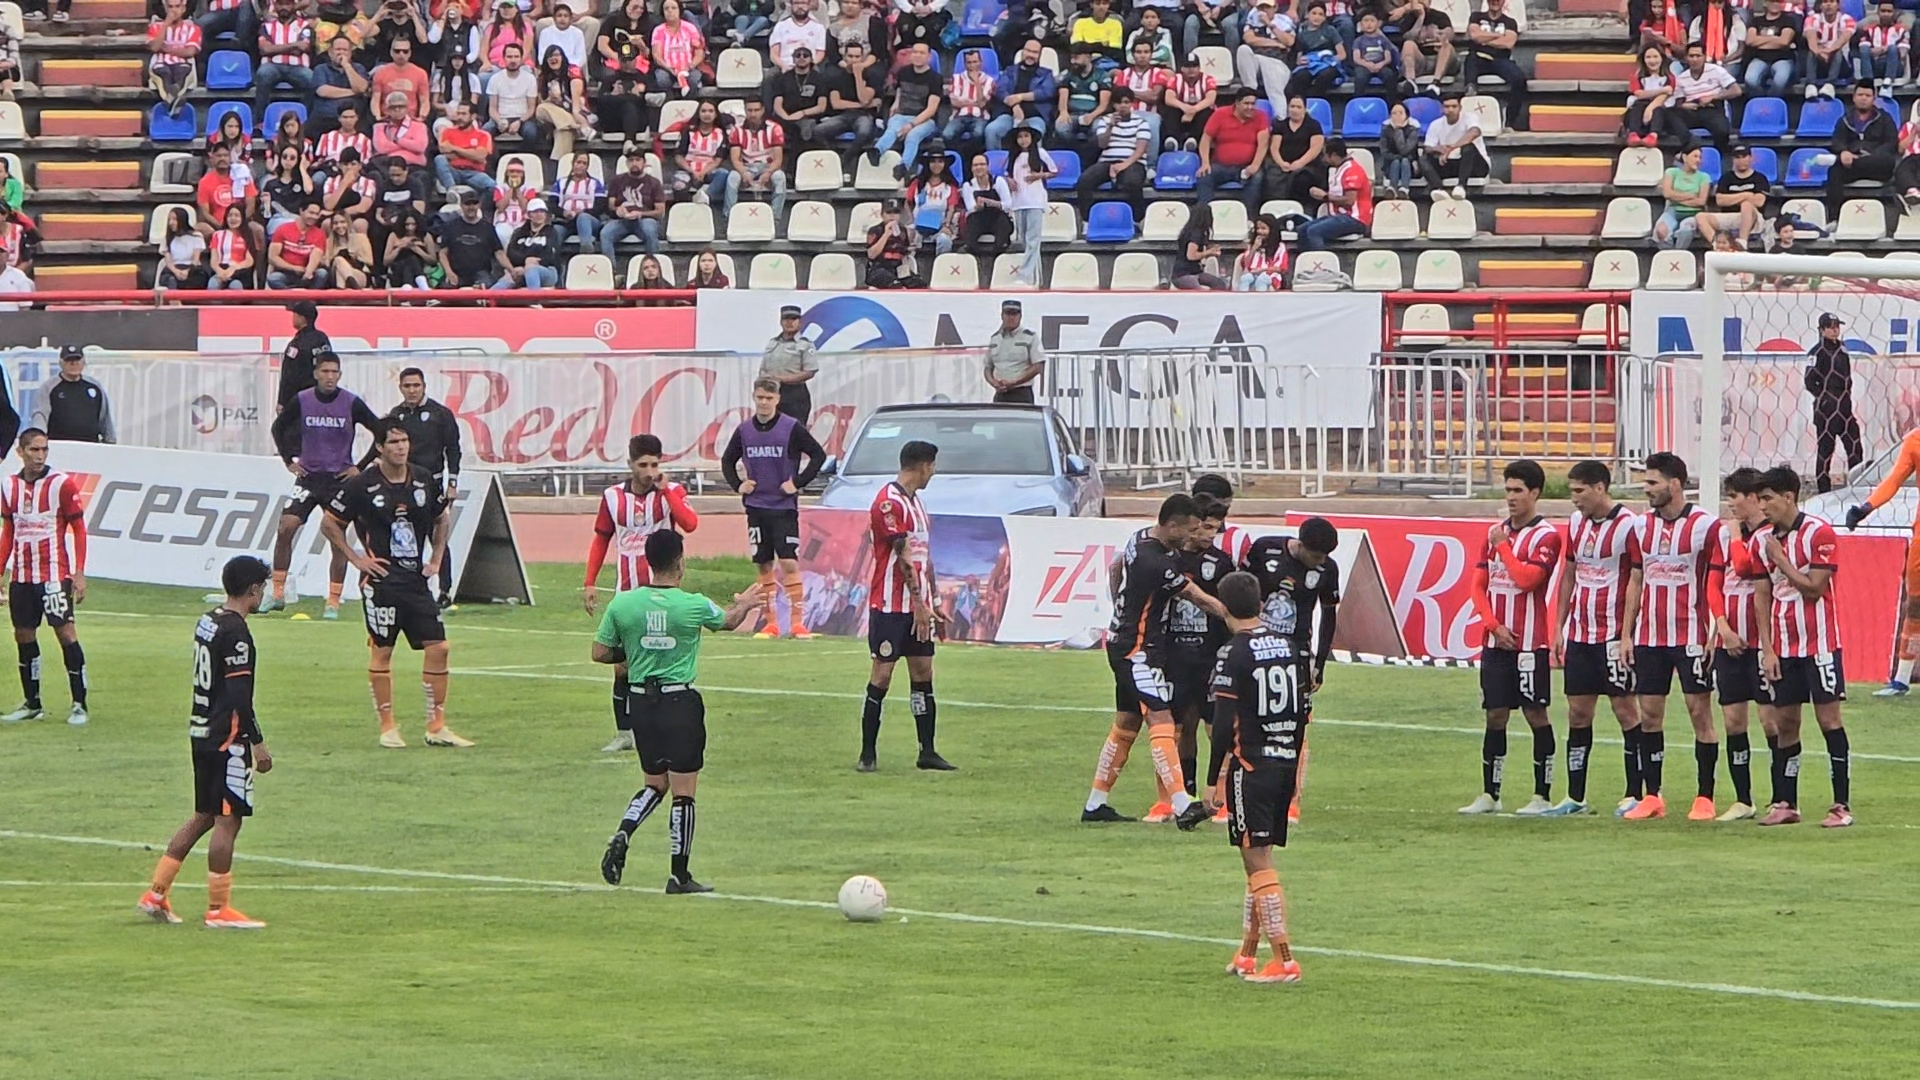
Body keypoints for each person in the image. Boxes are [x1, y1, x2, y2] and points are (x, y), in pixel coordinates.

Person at [594, 529, 765, 893]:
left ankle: (624, 831)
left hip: (640, 702)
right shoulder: (693, 604)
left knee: (655, 784)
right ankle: (679, 875)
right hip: (679, 702)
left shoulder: (623, 605)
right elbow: (728, 622)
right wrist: (746, 604)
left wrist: (636, 652)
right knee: (683, 792)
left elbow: (600, 652)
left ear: (648, 562)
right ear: (680, 563)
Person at [137, 556, 276, 930]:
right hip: (226, 737)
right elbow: (239, 696)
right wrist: (257, 743)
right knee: (228, 820)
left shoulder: (209, 620)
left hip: (200, 730)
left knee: (203, 816)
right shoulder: (236, 633)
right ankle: (218, 909)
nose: (264, 594)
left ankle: (156, 893)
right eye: (262, 588)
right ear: (253, 590)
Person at [321, 419, 473, 749]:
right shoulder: (362, 484)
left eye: (404, 441)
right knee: (383, 651)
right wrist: (357, 559)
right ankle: (388, 727)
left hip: (415, 581)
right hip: (381, 583)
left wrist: (436, 558)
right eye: (393, 442)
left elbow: (441, 518)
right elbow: (330, 523)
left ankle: (436, 726)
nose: (401, 447)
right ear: (379, 447)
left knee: (439, 648)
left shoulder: (422, 478)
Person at [1081, 493, 1226, 825]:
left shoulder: (1139, 539)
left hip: (1123, 641)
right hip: (1137, 651)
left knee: (1127, 723)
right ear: (1172, 525)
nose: (1192, 536)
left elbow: (1115, 568)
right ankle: (1181, 805)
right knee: (1161, 717)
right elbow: (1197, 597)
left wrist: (1122, 609)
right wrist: (1235, 619)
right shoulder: (1156, 563)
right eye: (1189, 529)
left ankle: (1095, 804)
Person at [1616, 453, 1727, 822]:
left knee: (1700, 713)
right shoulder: (1640, 527)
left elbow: (1718, 582)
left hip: (1692, 635)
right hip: (1650, 637)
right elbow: (1635, 579)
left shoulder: (1706, 527)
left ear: (1674, 483)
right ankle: (1652, 796)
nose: (1646, 489)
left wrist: (1715, 631)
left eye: (1652, 482)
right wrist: (1626, 634)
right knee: (1650, 717)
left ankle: (1705, 797)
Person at [1210, 569, 1305, 984]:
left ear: (1223, 607)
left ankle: (1284, 960)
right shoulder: (1287, 645)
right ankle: (1248, 954)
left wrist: (1214, 779)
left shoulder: (1233, 652)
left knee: (1258, 861)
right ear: (1261, 604)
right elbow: (1301, 712)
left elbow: (1222, 722)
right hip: (1284, 762)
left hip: (1250, 765)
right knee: (1257, 859)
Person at [1748, 465, 1852, 827]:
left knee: (1829, 721)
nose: (1762, 506)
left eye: (1767, 499)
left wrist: (1781, 559)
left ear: (1788, 496)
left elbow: (1814, 589)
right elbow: (1762, 596)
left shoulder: (1819, 533)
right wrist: (1767, 649)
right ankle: (1786, 803)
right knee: (1786, 723)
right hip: (1783, 648)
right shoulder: (1761, 540)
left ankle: (1841, 806)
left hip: (1820, 645)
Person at [585, 433, 700, 754]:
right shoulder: (612, 497)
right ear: (630, 464)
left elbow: (690, 524)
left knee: (662, 661)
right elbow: (602, 538)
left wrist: (667, 491)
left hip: (663, 593)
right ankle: (625, 733)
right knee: (622, 666)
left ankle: (661, 728)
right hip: (627, 593)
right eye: (643, 465)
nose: (650, 471)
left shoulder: (672, 492)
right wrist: (590, 581)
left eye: (654, 464)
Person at [1461, 460, 1563, 816]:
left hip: (1530, 645)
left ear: (1535, 493)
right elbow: (1478, 586)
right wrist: (1493, 625)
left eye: (1518, 490)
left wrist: (1503, 547)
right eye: (1507, 490)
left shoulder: (1546, 536)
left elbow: (1527, 580)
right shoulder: (1494, 533)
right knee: (1495, 715)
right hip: (1496, 643)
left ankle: (1542, 796)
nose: (1511, 497)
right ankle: (1490, 794)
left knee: (1536, 713)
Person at [857, 439, 956, 772]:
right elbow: (902, 556)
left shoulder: (918, 504)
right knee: (882, 675)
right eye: (933, 466)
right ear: (923, 466)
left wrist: (934, 601)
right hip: (890, 607)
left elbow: (923, 556)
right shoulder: (888, 503)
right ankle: (867, 753)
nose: (934, 472)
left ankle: (927, 751)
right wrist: (918, 604)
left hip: (919, 608)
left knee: (923, 672)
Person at [1553, 459, 1644, 818]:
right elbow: (1569, 573)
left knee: (1625, 711)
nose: (1574, 498)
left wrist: (1627, 634)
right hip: (1580, 634)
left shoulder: (1630, 525)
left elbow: (1637, 579)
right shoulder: (1576, 523)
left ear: (1600, 488)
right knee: (1578, 713)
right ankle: (1575, 797)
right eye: (1571, 491)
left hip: (1613, 637)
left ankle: (1635, 792)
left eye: (1579, 491)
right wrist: (1559, 627)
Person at [266, 355, 381, 618]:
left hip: (339, 481)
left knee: (336, 536)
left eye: (334, 372)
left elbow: (380, 431)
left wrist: (360, 467)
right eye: (325, 371)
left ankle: (333, 600)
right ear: (316, 373)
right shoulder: (303, 399)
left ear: (340, 375)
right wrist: (288, 461)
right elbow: (278, 427)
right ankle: (278, 592)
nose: (330, 376)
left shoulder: (351, 402)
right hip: (308, 478)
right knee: (286, 526)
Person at [722, 379, 829, 639]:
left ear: (777, 399)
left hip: (783, 507)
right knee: (763, 563)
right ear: (754, 397)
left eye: (769, 398)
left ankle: (797, 624)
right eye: (760, 397)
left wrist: (797, 482)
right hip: (756, 506)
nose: (764, 402)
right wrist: (739, 484)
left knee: (789, 561)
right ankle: (771, 624)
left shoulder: (791, 427)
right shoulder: (745, 430)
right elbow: (727, 460)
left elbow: (818, 455)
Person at [0, 429, 90, 727]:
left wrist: (78, 572)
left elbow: (79, 529)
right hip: (22, 576)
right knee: (23, 635)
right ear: (20, 452)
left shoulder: (61, 484)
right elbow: (9, 531)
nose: (40, 456)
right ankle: (32, 703)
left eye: (44, 450)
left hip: (53, 575)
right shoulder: (9, 485)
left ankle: (79, 704)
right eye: (34, 450)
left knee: (66, 634)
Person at [354, 368, 464, 606]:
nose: (412, 390)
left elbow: (453, 449)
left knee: (436, 532)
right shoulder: (397, 415)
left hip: (430, 483)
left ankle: (444, 590)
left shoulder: (440, 414)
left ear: (424, 386)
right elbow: (379, 444)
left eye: (416, 385)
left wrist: (452, 482)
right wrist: (359, 468)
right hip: (401, 483)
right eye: (407, 386)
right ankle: (397, 582)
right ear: (400, 388)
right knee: (399, 533)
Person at [1152, 492, 1230, 824]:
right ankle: (1175, 798)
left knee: (1218, 728)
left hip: (1210, 659)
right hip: (1175, 657)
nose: (1210, 535)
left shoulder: (1221, 563)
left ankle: (1223, 799)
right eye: (1206, 527)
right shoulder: (1167, 558)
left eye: (1215, 529)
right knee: (1177, 729)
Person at [1712, 466, 1768, 819]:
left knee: (1773, 722)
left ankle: (1782, 798)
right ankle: (1743, 800)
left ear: (1753, 497)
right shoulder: (1725, 534)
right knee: (1734, 721)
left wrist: (1735, 537)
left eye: (1734, 496)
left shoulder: (1770, 533)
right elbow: (1713, 583)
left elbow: (1745, 567)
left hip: (1764, 643)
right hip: (1729, 641)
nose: (1730, 503)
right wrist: (1722, 627)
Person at [1806, 312, 1864, 493]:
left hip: (1844, 408)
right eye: (1830, 327)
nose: (1835, 330)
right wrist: (1824, 399)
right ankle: (1824, 490)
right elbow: (1809, 381)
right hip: (1826, 410)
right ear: (1822, 330)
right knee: (1826, 451)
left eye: (1837, 326)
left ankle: (1857, 486)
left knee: (1855, 447)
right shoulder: (1816, 352)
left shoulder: (1842, 349)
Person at [1078, 84, 1150, 221]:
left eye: (1126, 102)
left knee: (1133, 183)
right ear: (1113, 104)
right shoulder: (1104, 121)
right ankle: (1088, 220)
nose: (1122, 106)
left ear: (1131, 103)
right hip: (1107, 161)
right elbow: (1102, 144)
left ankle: (1137, 220)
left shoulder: (1141, 122)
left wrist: (1122, 165)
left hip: (1132, 162)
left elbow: (1140, 150)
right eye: (1119, 103)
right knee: (1084, 181)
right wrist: (1110, 127)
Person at [1826, 82, 1899, 215]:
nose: (1863, 98)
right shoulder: (1844, 120)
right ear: (1854, 97)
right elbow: (1837, 141)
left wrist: (1871, 156)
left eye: (1867, 95)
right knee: (1834, 171)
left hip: (1877, 165)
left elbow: (1891, 142)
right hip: (1852, 166)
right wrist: (1843, 152)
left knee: (1887, 160)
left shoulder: (1885, 119)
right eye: (1860, 95)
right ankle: (1834, 218)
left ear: (1874, 99)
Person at [874, 42, 944, 172]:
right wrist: (896, 104)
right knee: (892, 130)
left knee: (913, 135)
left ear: (929, 57)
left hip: (925, 120)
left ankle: (904, 166)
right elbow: (900, 91)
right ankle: (876, 152)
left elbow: (931, 109)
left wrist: (911, 125)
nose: (918, 55)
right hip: (902, 114)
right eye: (915, 52)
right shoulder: (903, 72)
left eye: (922, 53)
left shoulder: (935, 78)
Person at [1196, 88, 1268, 211]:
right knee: (1204, 175)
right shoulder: (1220, 114)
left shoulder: (1261, 116)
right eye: (1246, 103)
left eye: (1253, 104)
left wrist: (1255, 165)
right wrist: (1205, 163)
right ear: (1237, 103)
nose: (1250, 107)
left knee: (1257, 177)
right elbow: (1205, 139)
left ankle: (1248, 216)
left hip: (1246, 166)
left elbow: (1263, 144)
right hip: (1221, 165)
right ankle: (1204, 215)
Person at [1298, 137, 1371, 251]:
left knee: (1314, 231)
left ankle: (1321, 261)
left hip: (1355, 219)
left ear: (1334, 155)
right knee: (1302, 230)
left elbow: (1349, 201)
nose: (1324, 159)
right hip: (1338, 217)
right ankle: (1306, 260)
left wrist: (1325, 196)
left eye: (1325, 156)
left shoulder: (1352, 170)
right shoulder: (1337, 169)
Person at [1464, 0, 1527, 131]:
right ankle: (1470, 92)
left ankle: (1509, 122)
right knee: (1471, 59)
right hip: (1479, 57)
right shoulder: (1476, 16)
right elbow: (1475, 36)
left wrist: (1484, 39)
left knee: (1519, 79)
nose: (1495, 2)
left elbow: (1508, 43)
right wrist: (1498, 35)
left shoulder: (1510, 22)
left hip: (1500, 60)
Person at [30, 346, 114, 445]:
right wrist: (39, 442)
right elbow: (40, 417)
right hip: (59, 445)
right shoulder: (48, 387)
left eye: (77, 359)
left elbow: (105, 418)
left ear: (83, 362)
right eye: (68, 360)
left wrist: (110, 442)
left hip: (90, 446)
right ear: (60, 363)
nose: (73, 364)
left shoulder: (95, 386)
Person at [1004, 125, 1054, 286]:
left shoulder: (1040, 153)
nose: (1023, 140)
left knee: (1033, 239)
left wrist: (1039, 175)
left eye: (1026, 136)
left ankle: (1025, 275)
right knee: (1024, 240)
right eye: (1020, 137)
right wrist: (1009, 181)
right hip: (1019, 201)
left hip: (1035, 200)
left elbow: (1054, 171)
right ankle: (1035, 276)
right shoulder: (1013, 156)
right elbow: (1007, 174)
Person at [256, 0, 317, 126]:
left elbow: (303, 48)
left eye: (288, 4)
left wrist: (274, 49)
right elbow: (265, 49)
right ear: (275, 6)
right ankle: (261, 122)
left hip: (298, 67)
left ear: (294, 6)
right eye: (280, 4)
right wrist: (294, 45)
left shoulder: (305, 26)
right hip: (272, 67)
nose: (284, 7)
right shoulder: (266, 26)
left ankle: (305, 121)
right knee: (262, 74)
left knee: (312, 79)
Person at [987, 38, 1055, 150]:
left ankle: (1033, 161)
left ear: (1039, 55)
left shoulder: (1046, 74)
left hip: (1034, 117)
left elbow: (1046, 92)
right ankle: (996, 160)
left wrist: (1020, 97)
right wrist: (1015, 105)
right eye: (1028, 51)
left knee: (1035, 134)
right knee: (991, 130)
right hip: (1009, 115)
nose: (1031, 55)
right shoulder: (1010, 71)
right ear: (1022, 51)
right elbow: (1000, 89)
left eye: (1035, 52)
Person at [725, 98, 788, 220]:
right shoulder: (737, 130)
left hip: (768, 166)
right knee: (732, 177)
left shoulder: (774, 128)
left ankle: (775, 218)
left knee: (780, 178)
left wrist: (768, 172)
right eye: (749, 110)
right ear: (745, 110)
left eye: (756, 110)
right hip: (746, 166)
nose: (753, 114)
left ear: (763, 110)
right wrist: (743, 172)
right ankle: (728, 217)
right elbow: (735, 158)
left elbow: (778, 159)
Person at [1674, 41, 1741, 151]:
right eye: (1691, 56)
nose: (1694, 59)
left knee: (1722, 131)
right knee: (1670, 113)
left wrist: (1713, 97)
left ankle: (1719, 154)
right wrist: (1683, 105)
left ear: (1704, 57)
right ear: (1686, 58)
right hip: (1692, 110)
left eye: (1698, 56)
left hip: (1712, 108)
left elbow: (1736, 90)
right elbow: (1678, 102)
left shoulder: (1716, 70)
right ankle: (1689, 147)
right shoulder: (1681, 78)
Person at [760, 304, 820, 425]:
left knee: (794, 429)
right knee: (770, 428)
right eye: (786, 319)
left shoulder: (805, 344)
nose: (789, 322)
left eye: (793, 319)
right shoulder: (773, 343)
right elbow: (763, 367)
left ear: (800, 322)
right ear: (781, 321)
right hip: (772, 392)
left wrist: (782, 379)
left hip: (795, 394)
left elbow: (810, 371)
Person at [1420, 95, 1488, 201]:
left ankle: (1461, 186)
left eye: (1454, 106)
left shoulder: (1470, 118)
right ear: (1442, 109)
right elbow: (1428, 147)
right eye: (1447, 107)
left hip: (1476, 165)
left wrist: (1453, 147)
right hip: (1451, 164)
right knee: (1423, 157)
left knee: (1468, 147)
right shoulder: (1435, 124)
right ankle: (1438, 189)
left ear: (1460, 108)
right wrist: (1438, 149)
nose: (1450, 110)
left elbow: (1474, 132)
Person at [438, 189, 512, 287]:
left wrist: (511, 270)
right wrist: (449, 272)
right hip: (456, 274)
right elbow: (443, 253)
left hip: (481, 274)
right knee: (444, 289)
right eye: (467, 204)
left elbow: (499, 253)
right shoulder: (451, 226)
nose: (471, 207)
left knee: (487, 286)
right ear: (461, 205)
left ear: (479, 205)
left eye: (474, 203)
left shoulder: (487, 227)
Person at [1701, 143, 1770, 247]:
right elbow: (1720, 201)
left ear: (1751, 158)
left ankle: (1742, 243)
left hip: (1753, 219)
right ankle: (1717, 245)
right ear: (1733, 160)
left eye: (1744, 157)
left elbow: (1759, 201)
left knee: (1746, 205)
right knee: (1700, 217)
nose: (1741, 160)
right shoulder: (1726, 178)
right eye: (1737, 157)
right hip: (1730, 216)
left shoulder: (1760, 178)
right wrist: (1746, 195)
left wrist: (1732, 199)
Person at [1265, 96, 1327, 208]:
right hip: (1282, 165)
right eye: (1292, 106)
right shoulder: (1280, 125)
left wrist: (1300, 163)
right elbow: (1274, 148)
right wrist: (1281, 163)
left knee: (1302, 179)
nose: (1294, 110)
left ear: (1304, 109)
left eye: (1298, 107)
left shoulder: (1313, 125)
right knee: (1272, 177)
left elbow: (1315, 148)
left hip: (1307, 166)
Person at [434, 101, 499, 206]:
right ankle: (452, 192)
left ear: (473, 116)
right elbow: (444, 152)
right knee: (439, 159)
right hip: (453, 171)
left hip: (474, 173)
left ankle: (481, 211)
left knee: (493, 187)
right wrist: (471, 153)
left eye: (463, 114)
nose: (459, 117)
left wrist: (454, 148)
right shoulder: (448, 132)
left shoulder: (483, 135)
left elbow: (480, 156)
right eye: (458, 113)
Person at [1236, 0, 1295, 116]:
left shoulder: (1284, 20)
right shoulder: (1252, 20)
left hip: (1277, 62)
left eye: (1267, 7)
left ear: (1275, 7)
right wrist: (1276, 43)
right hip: (1257, 60)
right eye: (1261, 7)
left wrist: (1269, 23)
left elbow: (1289, 41)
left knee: (1274, 88)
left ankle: (1281, 118)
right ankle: (1250, 90)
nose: (1263, 10)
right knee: (1243, 49)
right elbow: (1249, 39)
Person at [494, 197, 564, 289]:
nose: (539, 215)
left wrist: (534, 262)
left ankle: (534, 297)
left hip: (547, 270)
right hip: (521, 269)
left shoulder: (551, 232)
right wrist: (526, 261)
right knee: (507, 279)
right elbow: (512, 253)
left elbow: (551, 255)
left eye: (542, 211)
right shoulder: (519, 232)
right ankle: (485, 297)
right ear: (529, 215)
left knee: (531, 270)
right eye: (535, 212)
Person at [983, 299, 1045, 403]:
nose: (1011, 317)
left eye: (1014, 314)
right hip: (1000, 394)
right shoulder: (995, 338)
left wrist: (1014, 382)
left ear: (1020, 316)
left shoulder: (1030, 337)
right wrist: (993, 383)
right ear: (1002, 315)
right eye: (1008, 313)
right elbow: (987, 367)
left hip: (1021, 392)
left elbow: (1038, 366)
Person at [148, 0, 203, 116]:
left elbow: (190, 51)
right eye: (170, 7)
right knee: (164, 72)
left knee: (181, 71)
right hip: (161, 64)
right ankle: (176, 100)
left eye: (177, 6)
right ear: (165, 9)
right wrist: (165, 25)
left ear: (183, 9)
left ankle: (170, 100)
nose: (173, 10)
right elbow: (154, 47)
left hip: (183, 64)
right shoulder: (156, 27)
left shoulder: (193, 29)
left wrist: (166, 49)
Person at [1624, 44, 1685, 148]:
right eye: (1648, 57)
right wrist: (1661, 90)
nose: (1652, 61)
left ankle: (1653, 135)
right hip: (1641, 109)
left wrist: (1649, 109)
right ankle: (1633, 134)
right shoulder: (1637, 76)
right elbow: (1639, 94)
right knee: (1637, 106)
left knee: (1659, 110)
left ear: (1662, 58)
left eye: (1655, 57)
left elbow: (1666, 95)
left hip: (1658, 110)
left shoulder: (1669, 78)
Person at [309, 35, 372, 134]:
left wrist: (347, 66)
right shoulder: (320, 68)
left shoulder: (359, 68)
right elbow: (323, 91)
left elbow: (362, 88)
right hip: (326, 118)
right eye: (338, 49)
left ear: (350, 53)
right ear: (330, 52)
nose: (341, 53)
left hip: (354, 119)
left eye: (345, 50)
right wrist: (353, 92)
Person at [278, 300, 333, 409]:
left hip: (300, 400)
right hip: (323, 397)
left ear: (302, 318)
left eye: (295, 314)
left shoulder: (297, 344)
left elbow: (289, 375)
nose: (293, 318)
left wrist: (282, 401)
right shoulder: (322, 339)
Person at [1285, 1, 1345, 99]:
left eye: (1321, 14)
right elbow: (1298, 59)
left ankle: (1315, 102)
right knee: (1300, 76)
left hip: (1327, 63)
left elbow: (1342, 55)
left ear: (1324, 17)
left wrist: (1328, 60)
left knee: (1325, 75)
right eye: (1314, 13)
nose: (1317, 17)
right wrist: (1302, 61)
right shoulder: (1301, 34)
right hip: (1310, 64)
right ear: (1307, 15)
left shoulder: (1330, 30)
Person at [1655, 144, 1711, 246]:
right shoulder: (1671, 172)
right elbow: (1667, 193)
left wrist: (1675, 198)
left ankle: (1679, 254)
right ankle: (1668, 253)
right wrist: (1692, 196)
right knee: (1661, 230)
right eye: (1695, 156)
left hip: (1693, 213)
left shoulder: (1704, 177)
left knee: (1686, 230)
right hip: (1673, 210)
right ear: (1685, 157)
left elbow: (1701, 201)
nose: (1698, 160)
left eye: (1700, 157)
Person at [959, 153, 1014, 256]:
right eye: (975, 165)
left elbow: (1008, 204)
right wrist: (977, 207)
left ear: (988, 167)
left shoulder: (998, 181)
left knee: (1003, 224)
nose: (979, 167)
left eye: (982, 164)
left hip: (997, 217)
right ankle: (972, 252)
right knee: (971, 222)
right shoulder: (968, 185)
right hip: (979, 218)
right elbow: (970, 208)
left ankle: (1001, 249)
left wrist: (989, 202)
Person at [486, 43, 542, 143]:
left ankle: (525, 153)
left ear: (521, 58)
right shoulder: (495, 78)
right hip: (501, 117)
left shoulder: (530, 79)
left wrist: (520, 121)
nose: (513, 60)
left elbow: (531, 108)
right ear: (504, 58)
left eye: (516, 57)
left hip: (523, 118)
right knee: (486, 131)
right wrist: (499, 121)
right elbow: (492, 108)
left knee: (531, 133)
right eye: (509, 57)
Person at [650, 0, 706, 99]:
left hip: (689, 67)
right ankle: (669, 103)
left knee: (694, 79)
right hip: (666, 68)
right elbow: (656, 56)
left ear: (680, 10)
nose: (670, 11)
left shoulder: (690, 28)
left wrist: (689, 66)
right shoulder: (658, 30)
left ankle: (689, 103)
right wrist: (669, 68)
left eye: (673, 8)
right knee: (662, 78)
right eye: (666, 9)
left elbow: (699, 52)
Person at [944, 48, 998, 151]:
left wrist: (977, 82)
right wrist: (975, 103)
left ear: (981, 63)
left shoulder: (989, 81)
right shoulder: (956, 78)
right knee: (947, 134)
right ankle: (958, 156)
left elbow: (982, 104)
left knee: (978, 133)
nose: (972, 65)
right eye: (969, 62)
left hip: (980, 117)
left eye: (975, 62)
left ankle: (973, 157)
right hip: (959, 116)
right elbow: (954, 102)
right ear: (965, 64)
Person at [548, 152, 605, 248]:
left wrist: (583, 212)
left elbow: (601, 206)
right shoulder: (560, 182)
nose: (581, 165)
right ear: (573, 163)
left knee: (583, 217)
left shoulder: (595, 183)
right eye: (578, 162)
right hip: (565, 221)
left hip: (589, 221)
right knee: (556, 232)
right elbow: (551, 204)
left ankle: (586, 249)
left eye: (584, 163)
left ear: (587, 166)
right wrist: (563, 212)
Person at [1397, 0, 1455, 89]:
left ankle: (1435, 84)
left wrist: (1440, 36)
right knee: (1408, 44)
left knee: (1447, 46)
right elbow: (1408, 37)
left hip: (1441, 58)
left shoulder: (1440, 16)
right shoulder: (1408, 19)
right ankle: (1411, 83)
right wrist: (1421, 17)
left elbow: (1450, 34)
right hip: (1421, 60)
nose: (1421, 1)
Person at [1802, 0, 1856, 95]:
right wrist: (1818, 51)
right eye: (1825, 1)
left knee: (1837, 51)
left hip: (1841, 65)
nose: (1828, 4)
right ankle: (1810, 85)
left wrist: (1828, 51)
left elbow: (1843, 38)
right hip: (1820, 61)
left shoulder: (1847, 19)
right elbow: (1811, 38)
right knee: (1812, 52)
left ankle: (1830, 84)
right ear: (1820, 5)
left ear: (1838, 5)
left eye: (1832, 1)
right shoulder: (1812, 19)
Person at [1172, 202, 1228, 289]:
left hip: (1194, 272)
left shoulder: (1191, 231)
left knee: (1219, 283)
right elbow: (1191, 256)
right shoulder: (1196, 234)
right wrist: (1209, 252)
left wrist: (1210, 251)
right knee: (1201, 292)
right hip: (1184, 274)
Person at [1857, 2, 1908, 89]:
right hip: (1875, 65)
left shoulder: (1901, 30)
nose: (1886, 14)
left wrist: (1884, 50)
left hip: (1894, 66)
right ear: (1878, 12)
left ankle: (1888, 81)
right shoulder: (1868, 29)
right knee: (1864, 49)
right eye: (1883, 11)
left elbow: (1902, 53)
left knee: (1893, 48)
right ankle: (1868, 83)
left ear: (1894, 13)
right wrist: (1883, 50)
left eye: (1889, 11)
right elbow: (1864, 49)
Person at [157, 206, 208, 290]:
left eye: (174, 219)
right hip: (173, 269)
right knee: (171, 281)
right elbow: (169, 262)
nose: (171, 223)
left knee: (197, 280)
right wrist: (176, 271)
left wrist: (187, 271)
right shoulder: (167, 239)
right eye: (169, 219)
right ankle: (175, 298)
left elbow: (195, 260)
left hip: (191, 269)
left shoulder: (196, 236)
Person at [769, 0, 828, 71]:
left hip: (809, 68)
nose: (800, 6)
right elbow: (774, 54)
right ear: (791, 5)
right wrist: (784, 66)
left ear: (809, 5)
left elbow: (820, 53)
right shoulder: (780, 26)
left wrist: (809, 65)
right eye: (796, 3)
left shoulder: (819, 28)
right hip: (783, 67)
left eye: (803, 3)